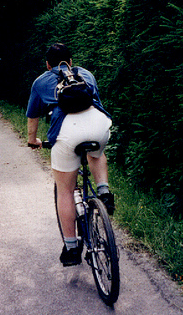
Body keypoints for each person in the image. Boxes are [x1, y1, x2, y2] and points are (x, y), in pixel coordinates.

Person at [26, 43, 114, 267]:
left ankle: (72, 248)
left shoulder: (41, 82)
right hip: (98, 124)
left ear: (48, 65)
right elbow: (97, 102)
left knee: (65, 191)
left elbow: (33, 117)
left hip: (67, 132)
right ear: (71, 61)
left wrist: (33, 140)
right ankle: (104, 192)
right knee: (96, 153)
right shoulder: (86, 74)